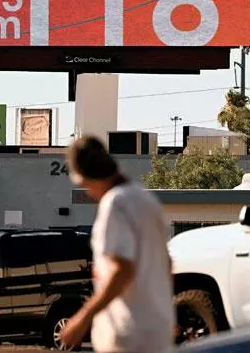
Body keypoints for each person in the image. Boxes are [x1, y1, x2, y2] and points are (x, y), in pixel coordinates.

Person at [61, 135, 175, 353]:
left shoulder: (115, 203)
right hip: (157, 328)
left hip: (128, 333)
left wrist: (82, 318)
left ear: (83, 177)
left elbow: (122, 270)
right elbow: (167, 263)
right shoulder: (146, 199)